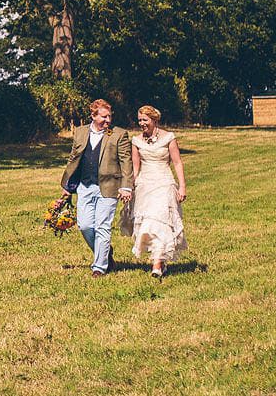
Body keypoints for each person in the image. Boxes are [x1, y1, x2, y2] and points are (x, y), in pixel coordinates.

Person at [59, 98, 135, 276]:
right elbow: (73, 159)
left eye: (109, 116)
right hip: (85, 186)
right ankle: (106, 253)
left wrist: (126, 187)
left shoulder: (119, 134)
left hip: (109, 186)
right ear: (93, 115)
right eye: (104, 117)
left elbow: (126, 162)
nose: (108, 120)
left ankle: (99, 267)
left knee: (103, 226)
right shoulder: (80, 132)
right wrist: (67, 186)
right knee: (84, 225)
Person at [128, 104, 187, 280]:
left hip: (164, 183)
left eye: (145, 120)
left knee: (161, 222)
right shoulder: (136, 141)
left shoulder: (169, 138)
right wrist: (130, 187)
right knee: (148, 224)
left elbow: (177, 162)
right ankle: (159, 259)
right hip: (145, 185)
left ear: (154, 120)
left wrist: (182, 186)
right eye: (139, 120)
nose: (142, 123)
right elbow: (135, 167)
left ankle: (157, 265)